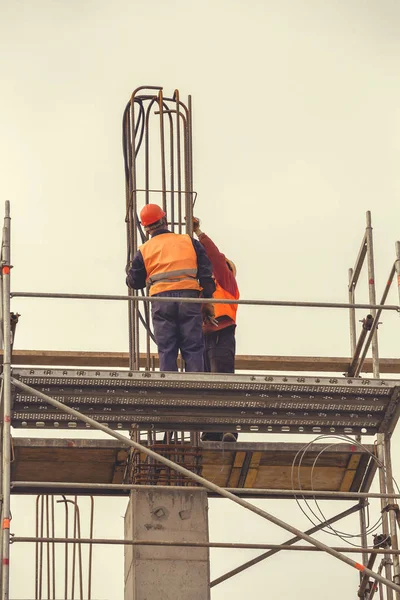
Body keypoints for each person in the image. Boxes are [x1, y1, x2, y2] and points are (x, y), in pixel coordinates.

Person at [126, 204, 215, 372]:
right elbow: (205, 272)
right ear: (165, 220)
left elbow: (134, 282)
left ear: (146, 229)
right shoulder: (188, 241)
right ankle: (196, 385)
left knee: (167, 348)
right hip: (188, 298)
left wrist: (130, 271)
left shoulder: (144, 250)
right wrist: (208, 298)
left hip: (161, 300)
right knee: (193, 346)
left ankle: (169, 388)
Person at [193, 217, 240, 442]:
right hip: (203, 336)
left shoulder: (226, 282)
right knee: (205, 384)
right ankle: (212, 429)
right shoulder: (205, 288)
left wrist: (199, 234)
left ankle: (228, 427)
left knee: (223, 380)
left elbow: (215, 258)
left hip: (221, 332)